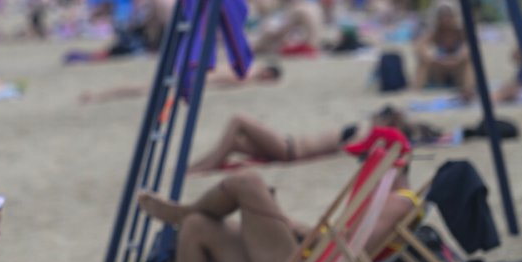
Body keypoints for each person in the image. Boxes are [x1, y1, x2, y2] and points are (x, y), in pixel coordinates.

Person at [138, 147, 414, 262]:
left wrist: (298, 228)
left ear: (395, 167)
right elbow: (345, 241)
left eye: (367, 161)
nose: (363, 166)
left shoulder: (401, 201)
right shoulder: (379, 202)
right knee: (196, 225)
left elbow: (353, 249)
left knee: (247, 181)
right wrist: (297, 228)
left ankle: (182, 211)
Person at [186, 104, 434, 172]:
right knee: (236, 141)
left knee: (238, 119)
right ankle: (201, 165)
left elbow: (353, 149)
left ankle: (207, 164)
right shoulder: (367, 133)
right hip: (288, 146)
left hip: (289, 149)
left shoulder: (366, 134)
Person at [79, 63, 282, 106]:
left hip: (192, 73)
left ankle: (98, 95)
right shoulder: (248, 74)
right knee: (142, 89)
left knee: (142, 88)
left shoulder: (247, 67)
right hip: (192, 77)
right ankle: (98, 96)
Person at [412, 0, 474, 98]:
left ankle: (468, 90)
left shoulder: (460, 31)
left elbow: (470, 47)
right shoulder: (435, 31)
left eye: (448, 15)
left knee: (468, 63)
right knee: (422, 63)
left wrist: (457, 58)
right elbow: (419, 46)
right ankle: (416, 92)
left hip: (456, 68)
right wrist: (432, 58)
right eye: (442, 15)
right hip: (439, 68)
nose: (445, 18)